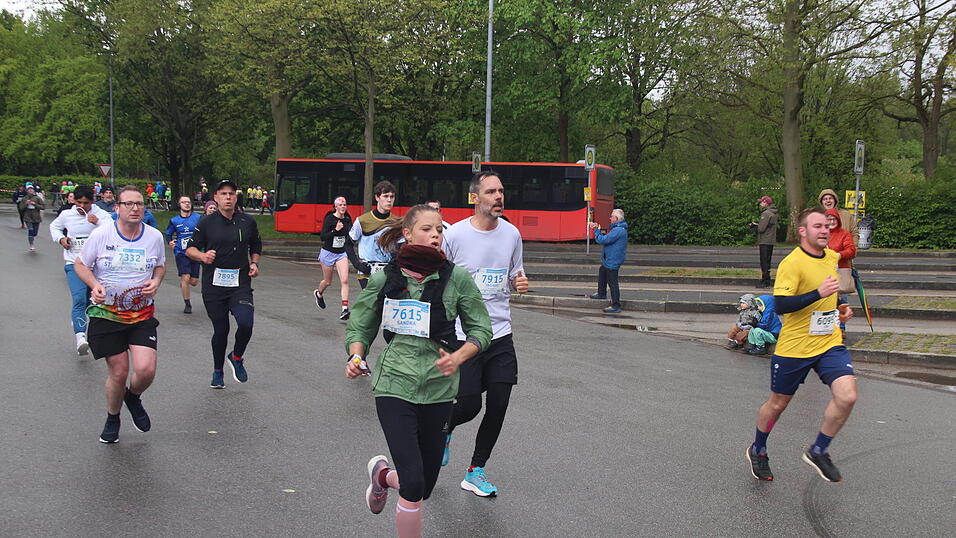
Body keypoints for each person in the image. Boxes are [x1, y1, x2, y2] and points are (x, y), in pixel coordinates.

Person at [345, 204, 491, 537]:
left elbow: (481, 329)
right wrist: (356, 356)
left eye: (439, 229)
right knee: (412, 483)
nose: (435, 235)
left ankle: (383, 477)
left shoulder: (457, 278)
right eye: (427, 229)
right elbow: (361, 323)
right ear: (408, 234)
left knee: (422, 486)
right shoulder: (387, 277)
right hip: (394, 384)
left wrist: (459, 356)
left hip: (439, 388)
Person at [746, 207, 855, 483]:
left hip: (828, 342)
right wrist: (818, 293)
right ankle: (758, 448)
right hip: (795, 346)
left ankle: (819, 450)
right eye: (818, 226)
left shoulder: (831, 257)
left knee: (847, 396)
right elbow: (782, 305)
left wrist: (840, 308)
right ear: (803, 231)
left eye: (827, 226)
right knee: (778, 404)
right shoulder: (792, 263)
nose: (824, 230)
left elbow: (829, 295)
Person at [441, 170, 529, 497]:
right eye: (491, 192)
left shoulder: (512, 234)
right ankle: (443, 429)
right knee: (468, 405)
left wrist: (519, 282)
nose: (498, 197)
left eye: (501, 191)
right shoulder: (455, 235)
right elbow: (439, 278)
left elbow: (515, 274)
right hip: (465, 335)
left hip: (501, 333)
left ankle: (475, 470)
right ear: (474, 197)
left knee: (499, 403)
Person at [72, 185, 166, 443]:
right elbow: (81, 264)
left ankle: (132, 397)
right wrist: (94, 285)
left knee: (146, 370)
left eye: (139, 203)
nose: (135, 208)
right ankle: (113, 417)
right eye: (128, 204)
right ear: (117, 208)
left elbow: (160, 267)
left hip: (141, 313)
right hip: (107, 314)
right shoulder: (102, 234)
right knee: (119, 372)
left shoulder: (154, 237)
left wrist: (156, 281)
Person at [186, 179, 262, 389]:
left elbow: (256, 244)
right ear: (216, 198)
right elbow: (190, 249)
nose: (228, 197)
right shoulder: (206, 223)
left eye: (231, 193)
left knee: (246, 323)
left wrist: (254, 263)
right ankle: (217, 371)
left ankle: (236, 357)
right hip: (214, 286)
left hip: (240, 283)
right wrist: (203, 256)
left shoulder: (247, 221)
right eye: (223, 194)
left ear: (236, 197)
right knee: (221, 330)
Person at [49, 185, 112, 355]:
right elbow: (54, 227)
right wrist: (61, 239)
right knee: (79, 300)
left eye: (86, 203)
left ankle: (81, 322)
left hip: (96, 266)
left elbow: (112, 230)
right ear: (74, 200)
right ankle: (80, 338)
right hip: (74, 263)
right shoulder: (66, 214)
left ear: (92, 201)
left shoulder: (101, 214)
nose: (82, 206)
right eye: (79, 202)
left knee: (93, 302)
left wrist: (97, 222)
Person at [349, 181, 400, 289]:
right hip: (367, 272)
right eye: (385, 196)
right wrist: (357, 264)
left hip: (388, 271)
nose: (389, 200)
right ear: (377, 197)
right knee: (373, 299)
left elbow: (400, 248)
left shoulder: (396, 222)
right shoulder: (362, 220)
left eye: (392, 196)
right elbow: (348, 244)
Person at [314, 196, 353, 320]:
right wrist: (335, 230)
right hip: (328, 252)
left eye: (344, 205)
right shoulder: (330, 219)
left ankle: (345, 309)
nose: (343, 207)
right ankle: (319, 293)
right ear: (335, 207)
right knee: (328, 282)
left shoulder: (347, 219)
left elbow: (351, 234)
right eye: (340, 205)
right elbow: (323, 237)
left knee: (345, 280)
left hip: (341, 253)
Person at [165, 195, 203, 314]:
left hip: (195, 252)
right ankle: (187, 304)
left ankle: (184, 283)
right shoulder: (174, 220)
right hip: (181, 252)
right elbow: (168, 233)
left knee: (194, 282)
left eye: (188, 202)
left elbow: (205, 231)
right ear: (179, 205)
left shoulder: (198, 218)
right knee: (186, 277)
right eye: (183, 202)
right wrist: (170, 242)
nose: (186, 204)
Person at [587, 208, 628, 313]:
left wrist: (596, 230)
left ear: (616, 219)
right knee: (602, 272)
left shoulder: (618, 230)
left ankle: (616, 305)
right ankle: (601, 293)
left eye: (611, 216)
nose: (610, 218)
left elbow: (603, 240)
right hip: (609, 260)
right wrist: (598, 230)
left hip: (612, 260)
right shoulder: (618, 229)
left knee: (612, 282)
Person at [825, 208, 857, 335]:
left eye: (834, 219)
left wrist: (839, 255)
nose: (832, 221)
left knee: (842, 299)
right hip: (824, 271)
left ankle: (841, 328)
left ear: (838, 220)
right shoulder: (822, 234)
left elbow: (851, 250)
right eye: (829, 219)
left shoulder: (844, 234)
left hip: (840, 270)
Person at [752, 196, 778, 287]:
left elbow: (761, 228)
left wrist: (754, 226)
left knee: (764, 261)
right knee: (768, 260)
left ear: (766, 203)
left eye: (762, 202)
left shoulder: (766, 213)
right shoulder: (774, 213)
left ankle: (765, 281)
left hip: (765, 240)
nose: (760, 204)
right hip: (771, 239)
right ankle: (768, 279)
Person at [18, 184, 45, 251]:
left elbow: (43, 207)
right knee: (30, 230)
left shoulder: (37, 198)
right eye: (29, 189)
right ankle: (31, 245)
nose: (30, 190)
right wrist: (26, 204)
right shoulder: (24, 198)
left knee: (34, 233)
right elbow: (21, 208)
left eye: (31, 189)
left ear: (33, 190)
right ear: (27, 191)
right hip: (28, 217)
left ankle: (32, 238)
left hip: (36, 217)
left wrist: (35, 204)